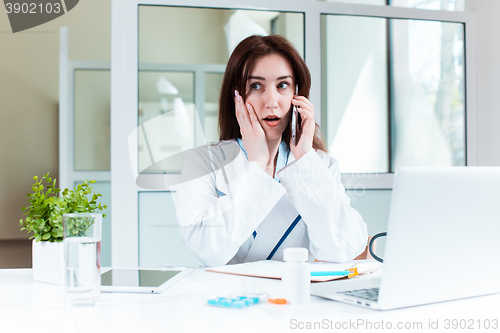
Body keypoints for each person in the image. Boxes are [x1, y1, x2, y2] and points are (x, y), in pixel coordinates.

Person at [173, 35, 368, 267]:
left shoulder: (320, 165)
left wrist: (305, 160)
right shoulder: (202, 162)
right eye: (256, 86)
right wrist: (256, 165)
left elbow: (343, 249)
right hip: (225, 298)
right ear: (236, 97)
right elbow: (206, 248)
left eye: (282, 85)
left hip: (294, 297)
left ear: (298, 94)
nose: (272, 101)